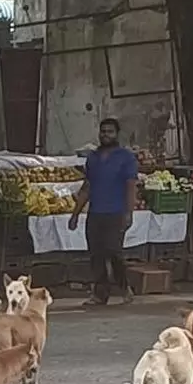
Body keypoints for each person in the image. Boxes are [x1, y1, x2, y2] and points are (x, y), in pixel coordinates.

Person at [69, 118, 138, 306]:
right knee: (96, 255)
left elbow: (131, 186)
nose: (105, 135)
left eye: (110, 132)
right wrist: (75, 214)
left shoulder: (125, 157)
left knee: (114, 252)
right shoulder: (93, 158)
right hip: (95, 213)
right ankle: (100, 294)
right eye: (103, 131)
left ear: (116, 134)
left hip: (115, 212)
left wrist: (129, 213)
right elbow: (87, 187)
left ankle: (124, 287)